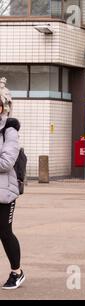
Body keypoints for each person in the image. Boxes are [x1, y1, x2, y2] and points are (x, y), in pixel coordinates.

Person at [0, 98, 24, 290]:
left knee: (4, 232)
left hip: (4, 192)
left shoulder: (9, 131)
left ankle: (17, 272)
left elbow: (6, 162)